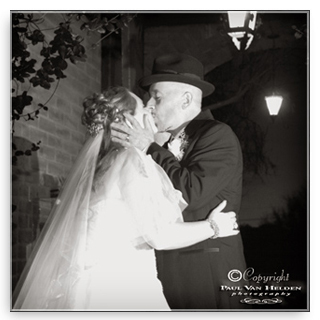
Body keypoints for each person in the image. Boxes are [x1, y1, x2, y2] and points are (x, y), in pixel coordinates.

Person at [12, 86, 239, 311]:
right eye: (143, 108)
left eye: (154, 99)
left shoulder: (99, 165)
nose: (149, 109)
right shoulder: (130, 159)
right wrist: (214, 226)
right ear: (128, 122)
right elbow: (159, 235)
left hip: (90, 285)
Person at [110, 53, 248, 309]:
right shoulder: (159, 142)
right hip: (165, 270)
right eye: (150, 97)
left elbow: (190, 192)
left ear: (186, 99)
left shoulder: (217, 135)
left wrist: (150, 147)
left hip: (206, 272)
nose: (150, 104)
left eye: (157, 96)